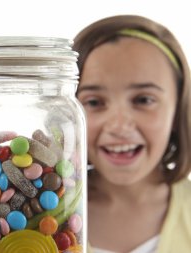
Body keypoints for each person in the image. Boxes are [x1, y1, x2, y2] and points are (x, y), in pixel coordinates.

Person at [73, 15, 191, 253]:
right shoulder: (44, 214)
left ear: (178, 109)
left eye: (143, 100)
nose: (119, 125)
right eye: (94, 102)